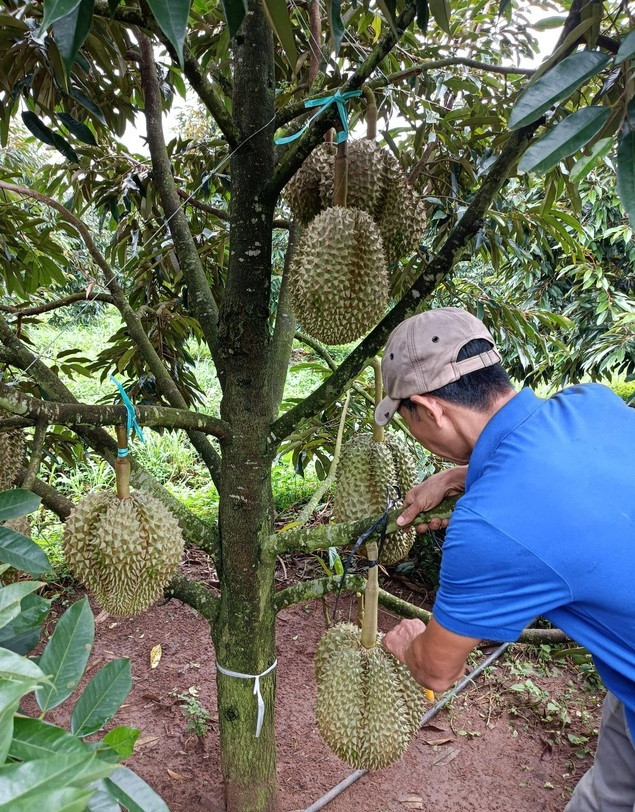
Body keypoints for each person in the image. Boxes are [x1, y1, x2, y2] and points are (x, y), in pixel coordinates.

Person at [377, 307, 635, 812]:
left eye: (407, 418)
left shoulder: (487, 528)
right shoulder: (593, 403)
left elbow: (435, 672)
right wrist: (460, 474)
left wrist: (407, 643)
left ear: (429, 410)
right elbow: (562, 483)